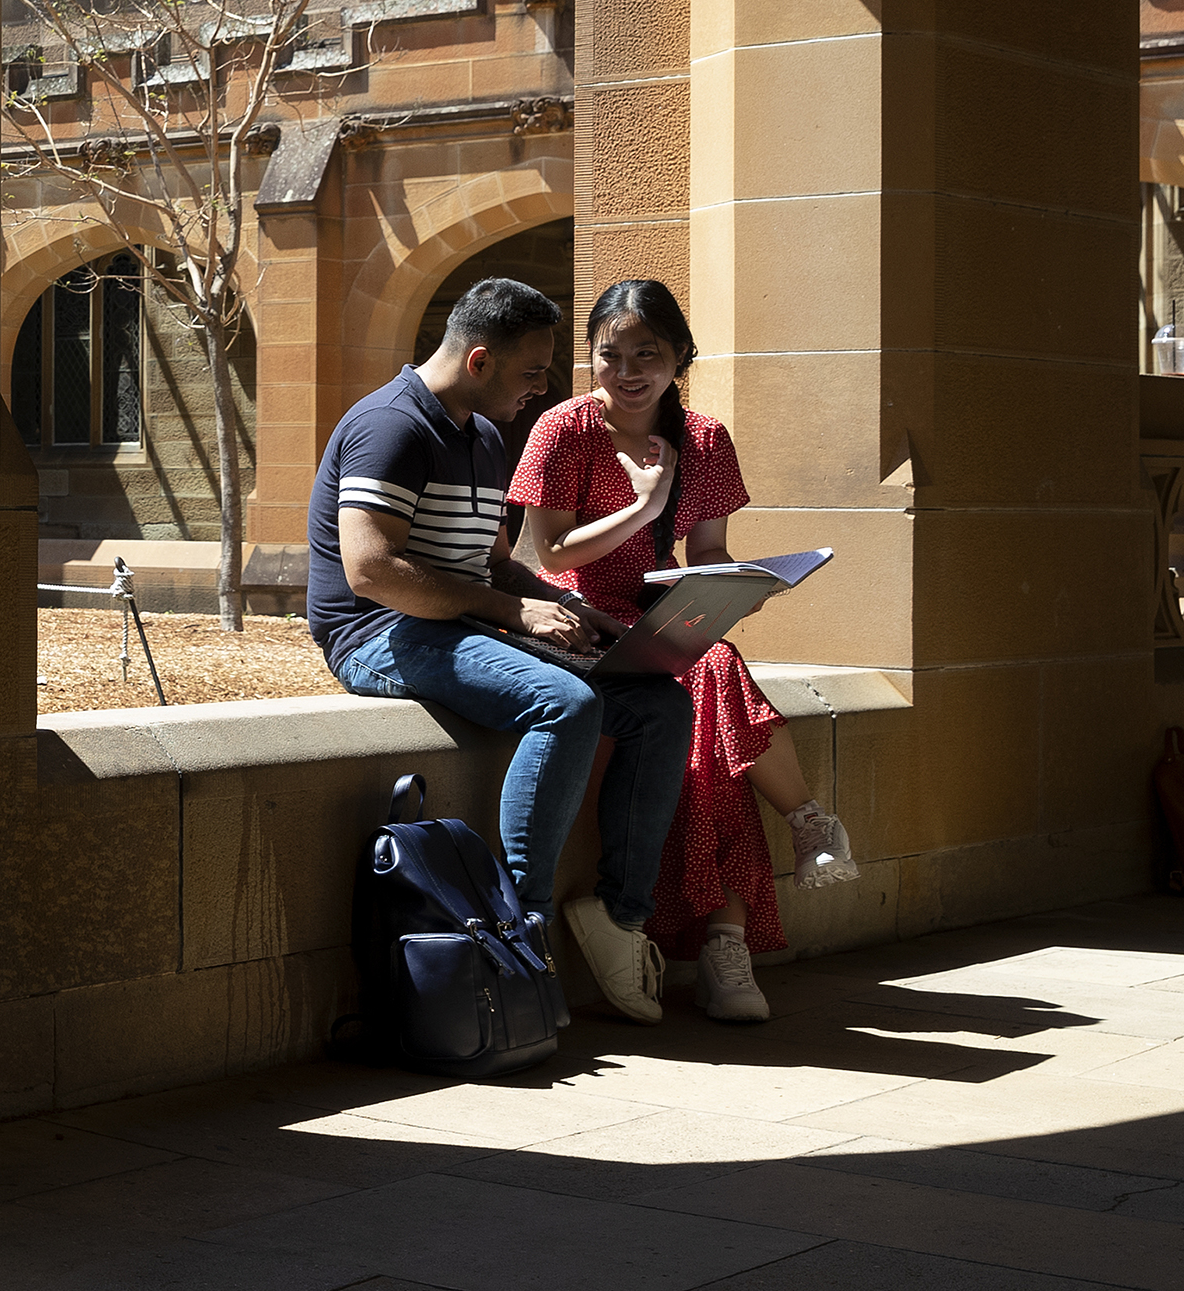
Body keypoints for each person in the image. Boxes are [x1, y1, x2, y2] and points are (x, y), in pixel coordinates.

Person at [308, 276, 696, 1023]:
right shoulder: (391, 425)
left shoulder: (483, 436)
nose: (545, 385)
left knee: (657, 702)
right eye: (531, 370)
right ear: (479, 361)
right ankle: (524, 927)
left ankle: (620, 914)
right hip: (379, 635)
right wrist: (511, 610)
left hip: (460, 624)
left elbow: (495, 564)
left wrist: (567, 606)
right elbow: (371, 570)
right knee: (566, 702)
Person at [508, 278, 858, 1025]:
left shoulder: (703, 439)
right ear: (591, 358)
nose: (628, 370)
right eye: (611, 354)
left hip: (655, 612)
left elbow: (707, 551)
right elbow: (549, 548)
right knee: (715, 686)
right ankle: (781, 861)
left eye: (648, 354)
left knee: (711, 691)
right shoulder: (562, 429)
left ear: (679, 359)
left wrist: (737, 587)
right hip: (571, 613)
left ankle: (731, 934)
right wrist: (643, 504)